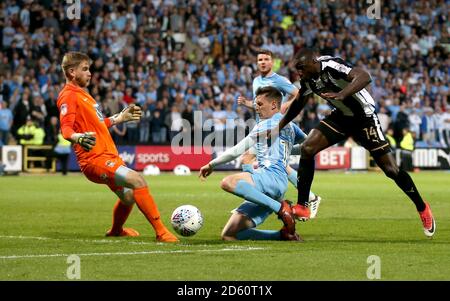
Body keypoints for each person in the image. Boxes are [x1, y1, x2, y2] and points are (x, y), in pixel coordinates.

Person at [271, 48, 435, 237]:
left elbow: (364, 77)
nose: (299, 72)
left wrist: (343, 94)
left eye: (301, 68)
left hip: (364, 118)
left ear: (313, 62)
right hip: (341, 117)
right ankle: (302, 206)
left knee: (391, 170)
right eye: (297, 69)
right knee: (308, 148)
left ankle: (422, 208)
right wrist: (279, 126)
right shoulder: (308, 79)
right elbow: (299, 103)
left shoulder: (332, 66)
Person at [57, 51, 178, 242]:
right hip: (94, 160)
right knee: (137, 180)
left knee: (129, 197)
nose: (90, 73)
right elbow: (65, 129)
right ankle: (161, 232)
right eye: (85, 69)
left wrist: (118, 118)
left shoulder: (84, 96)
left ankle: (115, 231)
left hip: (108, 156)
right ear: (72, 72)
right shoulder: (68, 96)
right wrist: (79, 138)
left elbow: (98, 125)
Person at [199, 86, 305, 241]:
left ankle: (282, 209)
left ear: (274, 105)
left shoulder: (265, 124)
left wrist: (211, 165)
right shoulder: (292, 126)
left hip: (269, 178)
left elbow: (236, 151)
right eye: (255, 104)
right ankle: (282, 235)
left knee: (228, 182)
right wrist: (287, 150)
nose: (256, 108)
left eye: (260, 104)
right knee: (229, 235)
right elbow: (307, 147)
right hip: (276, 188)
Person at [237, 49, 321, 216]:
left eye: (266, 59)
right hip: (262, 126)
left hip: (277, 127)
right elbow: (260, 103)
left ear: (272, 62)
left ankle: (254, 198)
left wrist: (285, 106)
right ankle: (310, 197)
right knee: (280, 166)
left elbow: (299, 94)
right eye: (260, 59)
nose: (262, 62)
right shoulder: (256, 81)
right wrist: (248, 104)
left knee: (247, 156)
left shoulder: (279, 80)